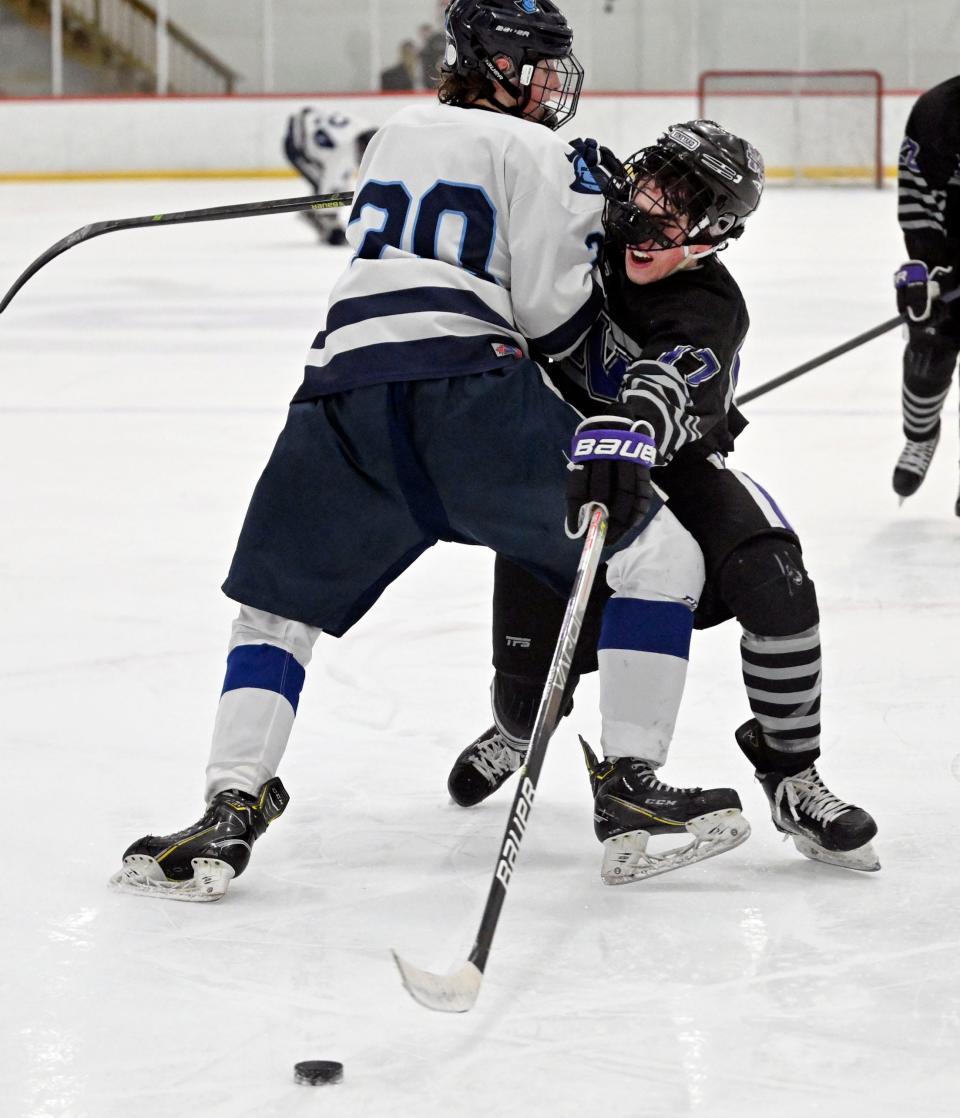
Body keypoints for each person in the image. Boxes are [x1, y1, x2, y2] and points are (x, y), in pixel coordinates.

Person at [111, 0, 741, 902]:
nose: (555, 86)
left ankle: (229, 806)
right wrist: (646, 380)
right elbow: (553, 322)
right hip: (463, 398)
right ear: (498, 66)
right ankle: (632, 788)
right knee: (660, 553)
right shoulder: (544, 153)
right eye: (542, 66)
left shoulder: (393, 137)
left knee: (272, 609)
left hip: (339, 397)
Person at [447, 121, 880, 875]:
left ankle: (791, 774)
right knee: (526, 695)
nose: (650, 216)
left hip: (675, 462)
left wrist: (632, 423)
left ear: (712, 236)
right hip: (559, 466)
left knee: (775, 575)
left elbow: (670, 382)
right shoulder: (579, 233)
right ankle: (519, 733)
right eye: (653, 185)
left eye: (681, 207)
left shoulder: (713, 305)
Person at [892, 76, 960, 514]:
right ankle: (920, 436)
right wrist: (928, 269)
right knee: (927, 350)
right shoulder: (939, 111)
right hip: (948, 249)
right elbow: (917, 195)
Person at [283, 106, 377, 246]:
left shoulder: (366, 131)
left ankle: (317, 212)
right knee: (331, 188)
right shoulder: (341, 156)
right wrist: (329, 213)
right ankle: (319, 217)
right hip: (297, 144)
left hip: (309, 122)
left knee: (335, 184)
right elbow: (331, 187)